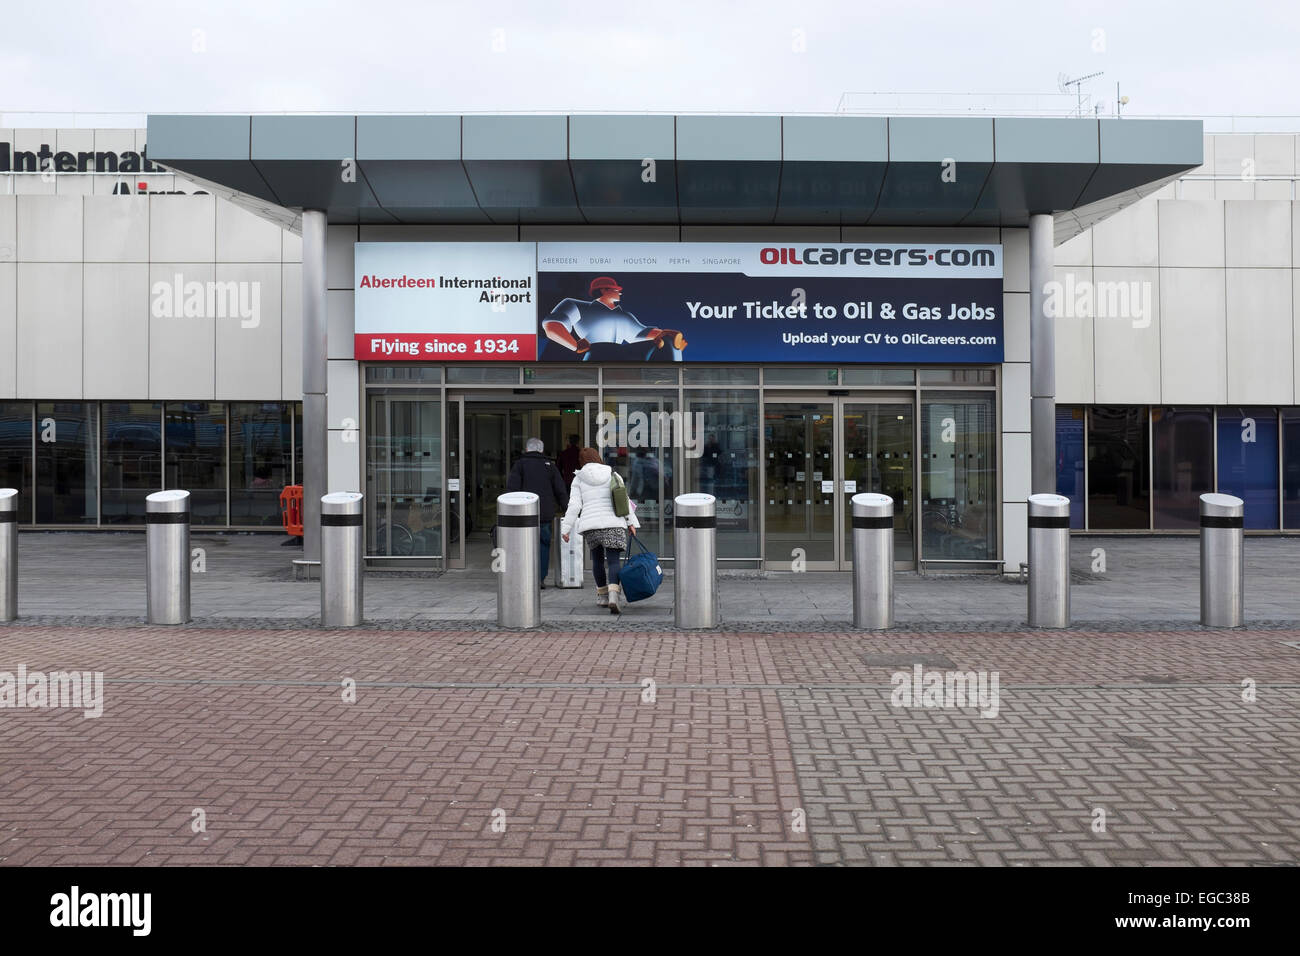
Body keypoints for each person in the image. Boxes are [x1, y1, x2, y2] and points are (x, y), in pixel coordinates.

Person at [561, 447, 640, 614]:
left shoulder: (579, 479)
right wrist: (631, 523)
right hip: (613, 523)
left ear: (582, 462)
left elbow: (575, 506)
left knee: (597, 561)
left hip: (591, 525)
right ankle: (613, 595)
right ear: (597, 458)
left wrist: (566, 528)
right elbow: (623, 501)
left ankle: (603, 596)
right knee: (613, 561)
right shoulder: (613, 474)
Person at [541, 277, 688, 361]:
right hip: (595, 356)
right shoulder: (578, 305)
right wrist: (574, 345)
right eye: (616, 289)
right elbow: (552, 325)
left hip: (620, 359)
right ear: (603, 290)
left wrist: (664, 335)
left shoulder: (624, 315)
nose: (619, 292)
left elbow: (639, 333)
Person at [506, 437, 568, 588]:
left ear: (527, 449)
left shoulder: (519, 465)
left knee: (522, 545)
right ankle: (540, 578)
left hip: (523, 514)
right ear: (541, 450)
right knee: (543, 545)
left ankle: (524, 577)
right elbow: (560, 490)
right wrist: (567, 509)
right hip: (545, 513)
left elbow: (512, 489)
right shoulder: (550, 466)